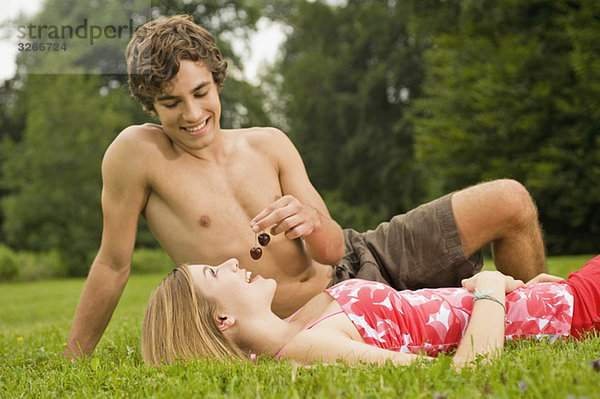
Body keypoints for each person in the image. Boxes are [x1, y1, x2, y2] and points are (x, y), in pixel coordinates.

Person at [64, 14, 547, 359]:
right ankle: (521, 319)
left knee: (510, 200)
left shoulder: (269, 143)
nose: (192, 114)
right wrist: (73, 362)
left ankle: (539, 314)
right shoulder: (137, 154)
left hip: (363, 258)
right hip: (318, 314)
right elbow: (113, 262)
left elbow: (334, 248)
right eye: (171, 103)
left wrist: (312, 222)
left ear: (218, 80)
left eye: (201, 93)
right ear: (150, 106)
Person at [141, 255, 600, 367]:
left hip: (561, 298)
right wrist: (493, 287)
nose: (232, 263)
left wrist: (516, 293)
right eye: (216, 274)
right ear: (224, 322)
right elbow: (466, 375)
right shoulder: (303, 347)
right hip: (580, 313)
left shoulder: (296, 324)